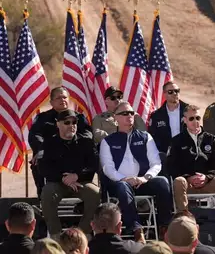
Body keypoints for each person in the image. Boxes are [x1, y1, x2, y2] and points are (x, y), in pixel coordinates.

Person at [99, 101, 173, 240]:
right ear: (116, 117)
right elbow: (108, 168)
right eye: (125, 113)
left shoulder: (145, 137)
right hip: (119, 184)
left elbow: (156, 163)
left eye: (131, 113)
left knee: (163, 182)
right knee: (122, 186)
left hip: (142, 181)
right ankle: (137, 230)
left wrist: (145, 178)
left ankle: (165, 227)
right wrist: (124, 179)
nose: (129, 116)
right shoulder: (108, 141)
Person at [40, 109, 100, 238]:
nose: (71, 125)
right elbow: (44, 168)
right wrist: (63, 178)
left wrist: (77, 176)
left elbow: (93, 165)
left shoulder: (86, 142)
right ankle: (56, 235)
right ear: (58, 124)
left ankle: (82, 234)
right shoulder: (50, 143)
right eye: (67, 122)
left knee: (95, 193)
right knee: (47, 193)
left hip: (82, 182)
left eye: (74, 122)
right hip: (58, 183)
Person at [28, 87, 92, 198]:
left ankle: (82, 195)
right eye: (58, 98)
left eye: (64, 97)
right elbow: (35, 135)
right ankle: (42, 194)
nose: (62, 100)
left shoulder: (79, 117)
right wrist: (41, 149)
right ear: (51, 102)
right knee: (38, 159)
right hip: (51, 153)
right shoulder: (43, 118)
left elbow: (87, 134)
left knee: (90, 159)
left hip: (74, 152)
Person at [167, 105, 215, 210]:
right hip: (187, 184)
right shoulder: (177, 141)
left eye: (198, 118)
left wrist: (207, 177)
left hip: (208, 182)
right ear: (185, 120)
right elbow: (171, 165)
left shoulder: (211, 139)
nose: (195, 121)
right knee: (178, 181)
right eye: (191, 118)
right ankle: (185, 219)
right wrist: (188, 177)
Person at [149, 81, 189, 158]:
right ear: (164, 94)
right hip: (166, 157)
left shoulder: (189, 111)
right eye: (170, 92)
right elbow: (152, 139)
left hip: (187, 155)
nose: (174, 94)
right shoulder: (156, 116)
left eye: (177, 91)